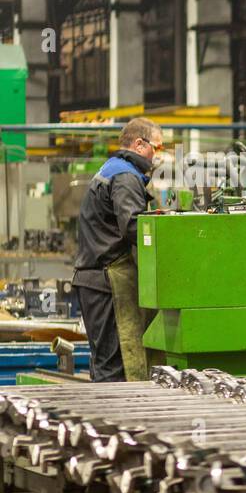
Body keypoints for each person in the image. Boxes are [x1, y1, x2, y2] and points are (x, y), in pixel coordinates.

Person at [72, 117, 163, 381]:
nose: (157, 156)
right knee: (114, 368)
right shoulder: (125, 176)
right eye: (156, 148)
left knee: (106, 363)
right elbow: (133, 225)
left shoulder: (112, 168)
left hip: (95, 281)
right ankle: (110, 422)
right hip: (106, 284)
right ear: (138, 144)